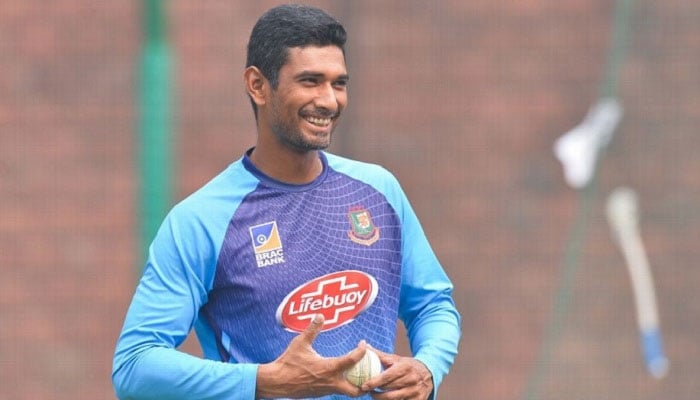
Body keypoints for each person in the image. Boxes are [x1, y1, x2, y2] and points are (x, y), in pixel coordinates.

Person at [112, 4, 461, 400]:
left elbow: (433, 305)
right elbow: (135, 365)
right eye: (310, 81)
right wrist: (263, 381)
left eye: (339, 83)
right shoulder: (201, 220)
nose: (329, 100)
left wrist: (428, 367)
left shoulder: (378, 190)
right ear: (258, 86)